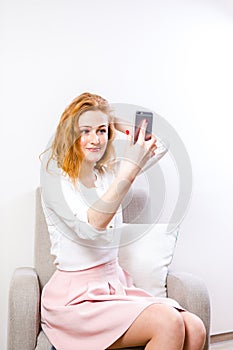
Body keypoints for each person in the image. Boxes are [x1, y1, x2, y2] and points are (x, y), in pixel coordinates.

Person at [40, 92, 206, 350]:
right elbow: (92, 226)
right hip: (76, 300)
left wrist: (113, 121)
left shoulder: (107, 173)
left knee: (194, 328)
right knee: (167, 322)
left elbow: (160, 144)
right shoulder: (57, 181)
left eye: (101, 131)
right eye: (85, 131)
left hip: (115, 287)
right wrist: (128, 170)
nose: (95, 140)